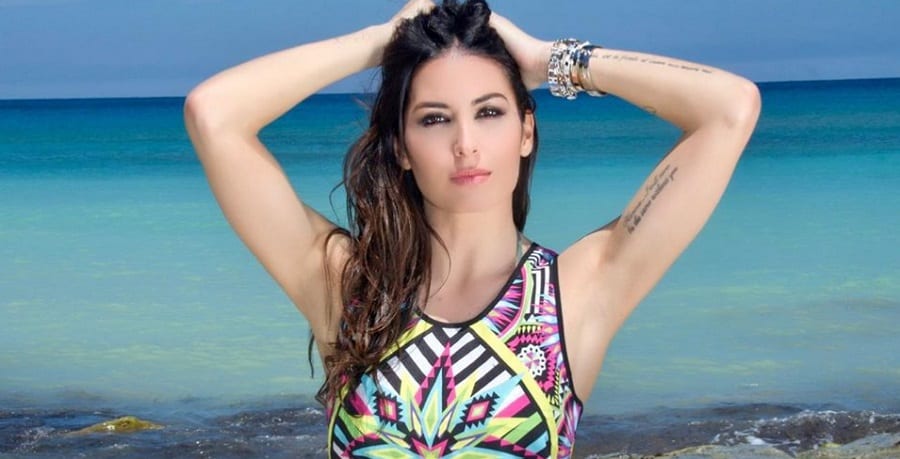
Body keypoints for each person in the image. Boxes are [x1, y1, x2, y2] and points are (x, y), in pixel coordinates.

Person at [184, 0, 760, 456]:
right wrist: (380, 43)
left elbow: (729, 108)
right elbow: (214, 115)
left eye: (489, 112)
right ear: (401, 148)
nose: (466, 144)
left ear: (526, 132)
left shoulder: (575, 292)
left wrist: (548, 59)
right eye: (435, 119)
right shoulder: (351, 290)